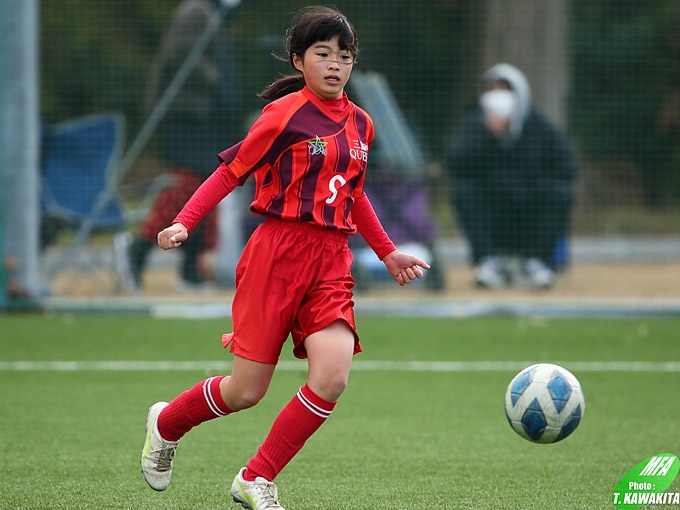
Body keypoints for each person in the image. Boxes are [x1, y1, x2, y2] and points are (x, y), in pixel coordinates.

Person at [140, 6, 430, 509]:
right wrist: (185, 220)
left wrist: (387, 252)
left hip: (331, 260)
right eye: (323, 54)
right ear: (299, 60)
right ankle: (166, 423)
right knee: (245, 392)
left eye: (345, 56)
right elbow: (231, 172)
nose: (335, 64)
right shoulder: (283, 114)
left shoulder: (362, 124)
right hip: (276, 255)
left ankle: (256, 477)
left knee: (332, 376)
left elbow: (355, 194)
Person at [121, 0, 241, 291]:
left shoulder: (210, 13)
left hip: (202, 120)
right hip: (186, 118)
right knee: (185, 185)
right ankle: (138, 250)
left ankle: (190, 269)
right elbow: (182, 53)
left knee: (203, 188)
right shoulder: (196, 11)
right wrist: (218, 80)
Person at [446, 63, 577, 290]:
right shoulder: (474, 125)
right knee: (464, 192)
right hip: (491, 212)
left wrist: (532, 184)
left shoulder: (538, 126)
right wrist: (487, 136)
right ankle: (488, 262)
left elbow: (567, 167)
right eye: (492, 90)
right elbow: (456, 164)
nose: (498, 97)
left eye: (505, 90)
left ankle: (536, 262)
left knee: (560, 193)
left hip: (529, 212)